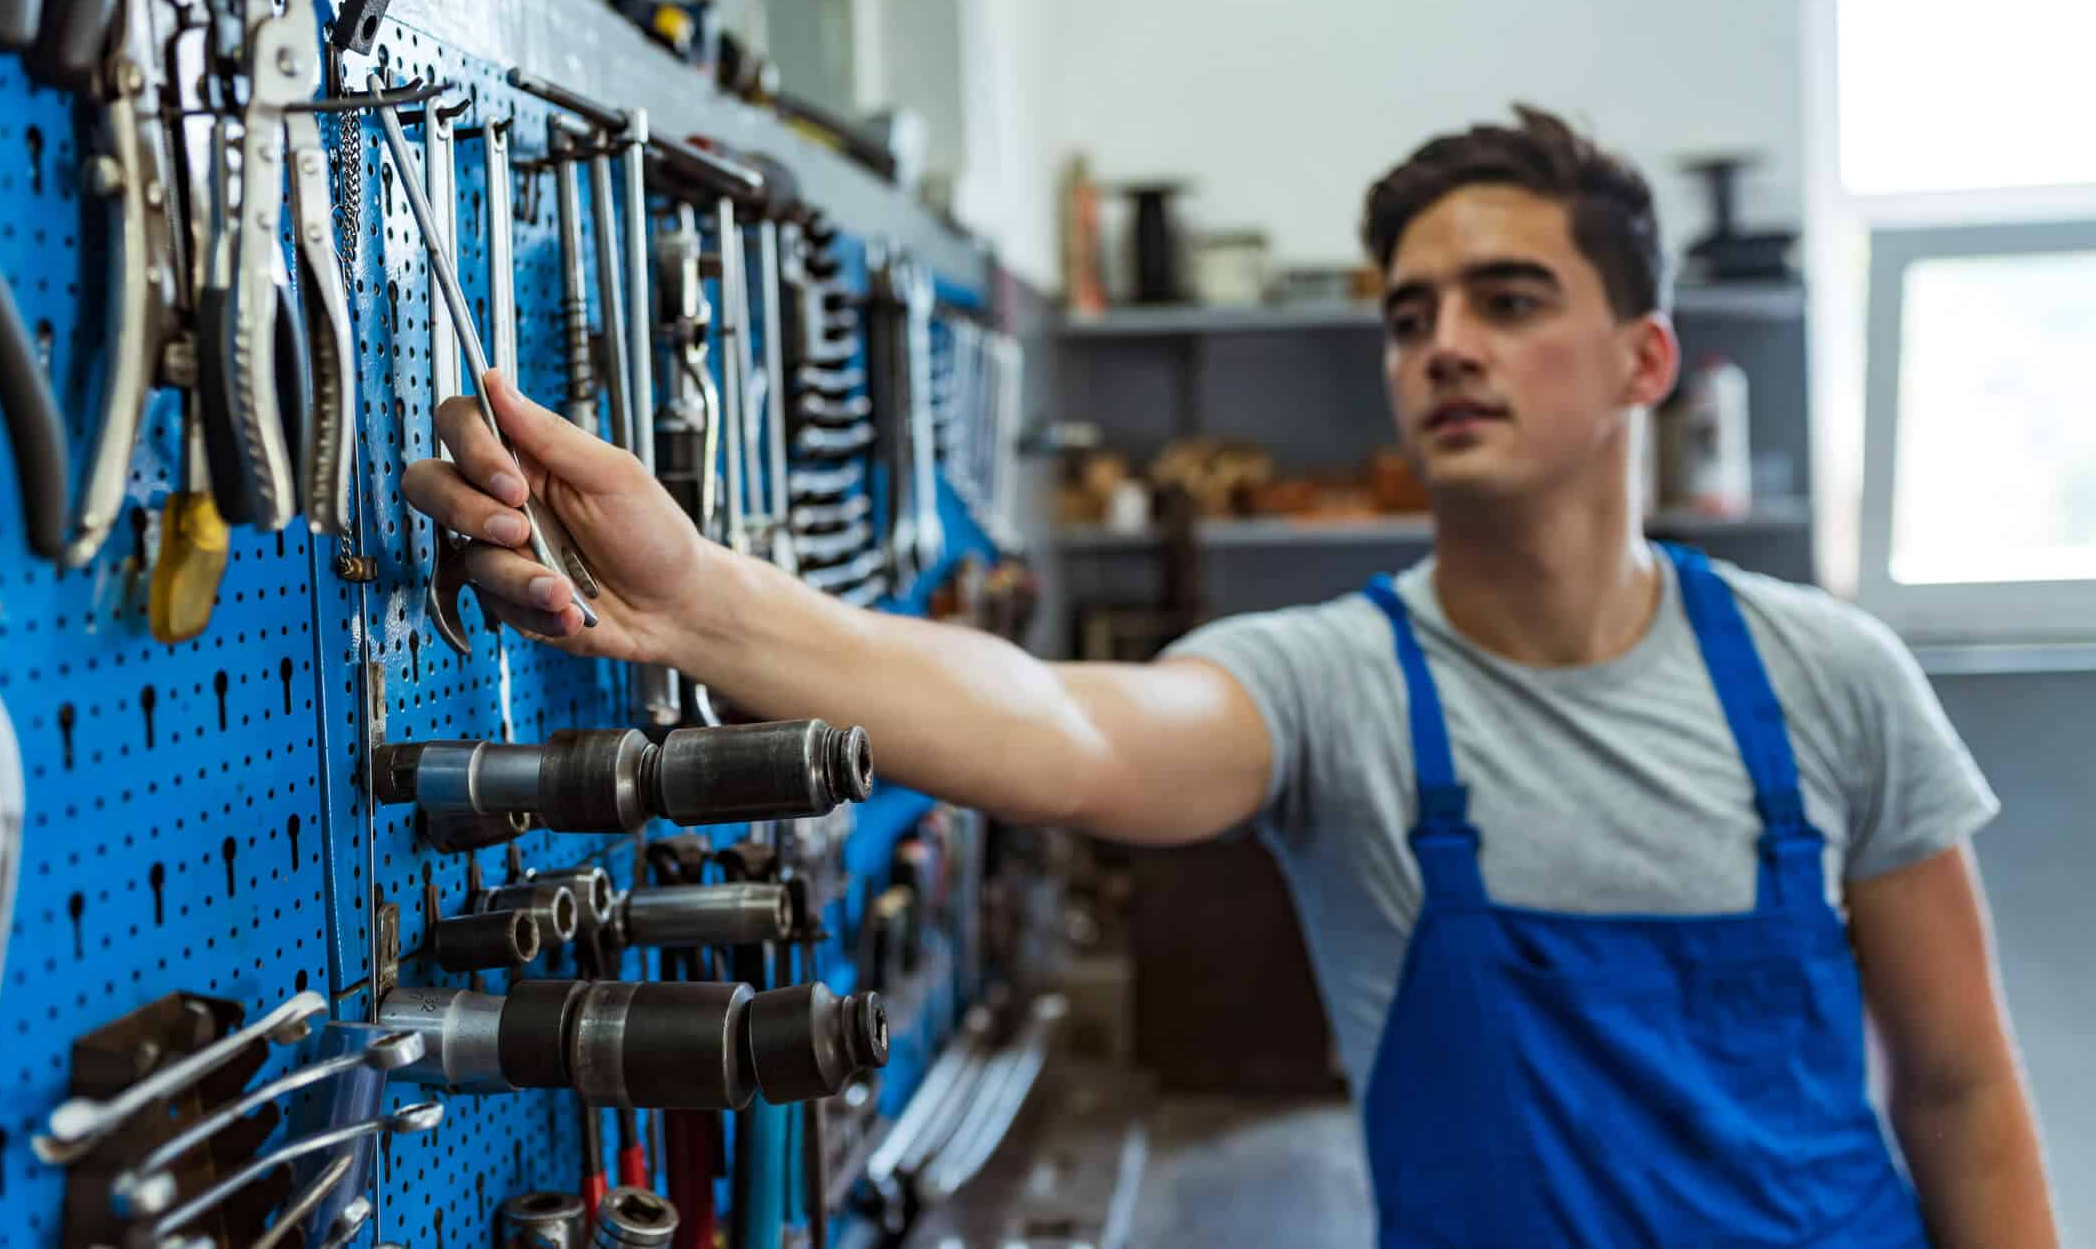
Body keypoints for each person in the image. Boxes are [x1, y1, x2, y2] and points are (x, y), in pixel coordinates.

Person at [403, 106, 2056, 1245]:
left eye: (1509, 297)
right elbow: (1062, 725)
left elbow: (1965, 1081)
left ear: (1647, 357)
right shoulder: (1342, 685)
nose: (1445, 345)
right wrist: (698, 598)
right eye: (1411, 315)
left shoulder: (1830, 676)